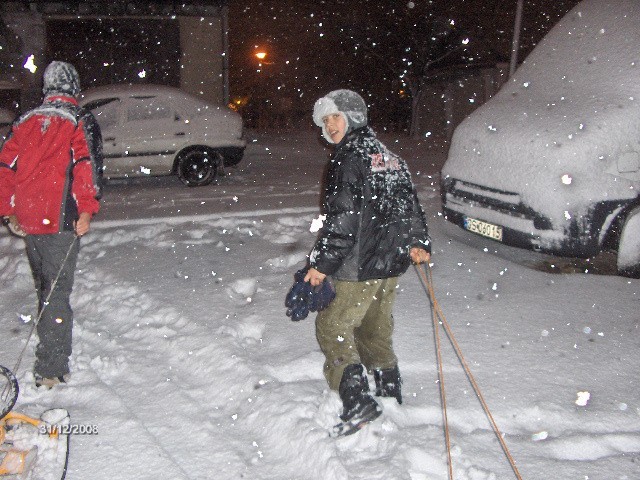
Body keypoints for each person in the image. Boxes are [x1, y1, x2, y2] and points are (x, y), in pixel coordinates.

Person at [305, 89, 431, 434]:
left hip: (358, 265)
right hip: (389, 265)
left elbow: (342, 219)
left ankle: (358, 402)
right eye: (326, 120)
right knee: (375, 330)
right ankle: (390, 392)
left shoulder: (348, 159)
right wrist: (418, 242)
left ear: (354, 117)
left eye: (336, 117)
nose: (330, 125)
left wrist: (322, 264)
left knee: (333, 327)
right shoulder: (389, 157)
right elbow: (410, 207)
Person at [0, 61, 103, 389]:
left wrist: (8, 210)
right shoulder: (79, 120)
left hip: (29, 218)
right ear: (73, 87)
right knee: (56, 291)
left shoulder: (25, 121)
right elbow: (87, 165)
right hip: (61, 220)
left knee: (46, 285)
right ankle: (52, 368)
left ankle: (50, 344)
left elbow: (4, 166)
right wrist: (86, 209)